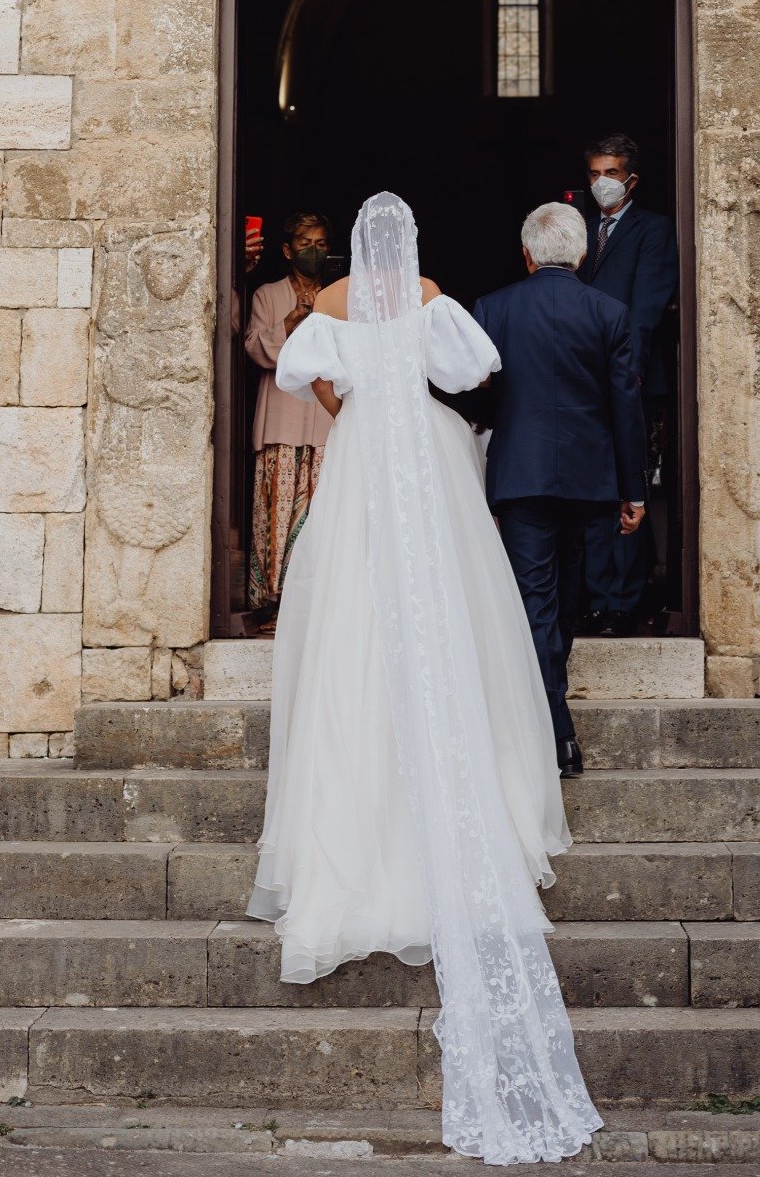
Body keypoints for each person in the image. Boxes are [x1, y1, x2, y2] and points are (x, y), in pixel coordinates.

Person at [249, 193, 601, 1165]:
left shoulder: (334, 308)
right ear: (411, 248)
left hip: (363, 458)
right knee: (454, 615)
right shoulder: (435, 297)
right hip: (430, 458)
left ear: (353, 251)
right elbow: (477, 366)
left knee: (354, 623)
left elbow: (291, 367)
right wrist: (406, 367)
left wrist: (351, 381)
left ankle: (356, 822)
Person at [473, 201, 648, 780]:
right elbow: (627, 406)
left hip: (521, 477)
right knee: (567, 598)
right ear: (579, 255)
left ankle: (549, 723)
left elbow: (479, 398)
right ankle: (557, 731)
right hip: (589, 479)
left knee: (535, 600)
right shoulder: (609, 311)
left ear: (527, 255)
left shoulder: (492, 308)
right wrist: (634, 489)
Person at [580, 133, 679, 636]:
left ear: (631, 179)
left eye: (612, 173)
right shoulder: (577, 229)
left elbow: (645, 309)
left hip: (627, 379)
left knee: (629, 487)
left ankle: (626, 599)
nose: (602, 182)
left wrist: (625, 373)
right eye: (595, 173)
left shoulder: (653, 230)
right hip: (583, 381)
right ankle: (595, 596)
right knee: (593, 488)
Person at [243, 211, 333, 627]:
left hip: (324, 419)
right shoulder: (268, 294)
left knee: (321, 511)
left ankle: (318, 600)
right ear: (286, 250)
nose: (312, 251)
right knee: (277, 513)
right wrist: (290, 323)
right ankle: (276, 601)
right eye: (304, 244)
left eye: (320, 244)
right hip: (280, 416)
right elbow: (254, 347)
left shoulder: (337, 296)